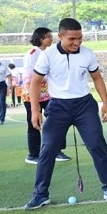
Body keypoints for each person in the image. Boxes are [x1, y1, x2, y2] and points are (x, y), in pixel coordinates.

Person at [24, 18, 107, 209]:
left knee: (97, 145)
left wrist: (106, 104)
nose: (77, 43)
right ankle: (41, 194)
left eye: (80, 38)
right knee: (48, 148)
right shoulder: (47, 55)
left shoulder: (87, 54)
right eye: (72, 39)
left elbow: (97, 78)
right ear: (60, 36)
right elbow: (35, 82)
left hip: (84, 105)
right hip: (58, 107)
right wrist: (35, 110)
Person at [22, 27, 71, 164]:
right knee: (34, 123)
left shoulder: (48, 53)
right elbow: (28, 74)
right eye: (48, 36)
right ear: (40, 38)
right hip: (34, 94)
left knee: (57, 120)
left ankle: (56, 150)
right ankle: (34, 154)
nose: (51, 39)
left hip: (48, 94)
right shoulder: (33, 53)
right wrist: (31, 92)